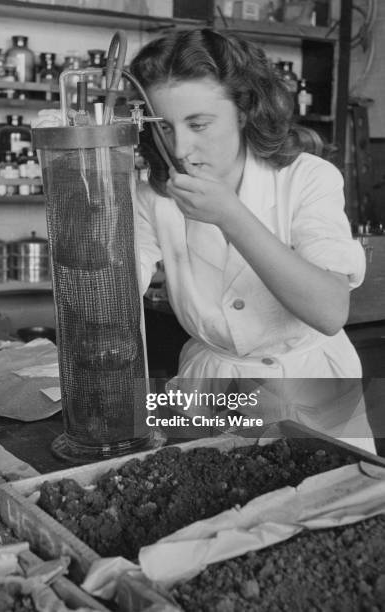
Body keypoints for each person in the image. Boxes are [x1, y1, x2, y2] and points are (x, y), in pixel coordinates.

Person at [34, 29, 374, 452]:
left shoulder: (307, 178)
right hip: (210, 390)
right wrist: (73, 173)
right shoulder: (151, 196)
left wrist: (231, 215)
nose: (181, 147)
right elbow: (100, 305)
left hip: (311, 386)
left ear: (245, 109)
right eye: (165, 127)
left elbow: (329, 311)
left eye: (198, 124)